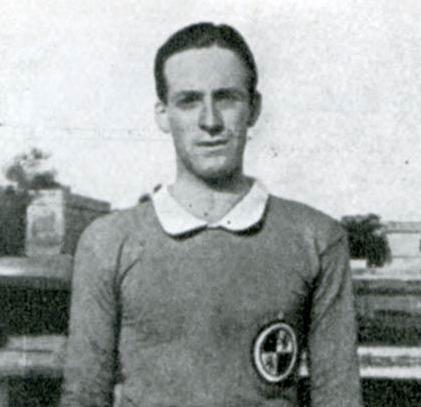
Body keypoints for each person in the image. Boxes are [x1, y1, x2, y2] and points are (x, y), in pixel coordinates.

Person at [60, 22, 362, 407]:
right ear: (163, 114)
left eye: (226, 98)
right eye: (188, 101)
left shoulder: (316, 237)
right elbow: (84, 395)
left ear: (254, 108)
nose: (210, 121)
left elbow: (339, 397)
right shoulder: (108, 241)